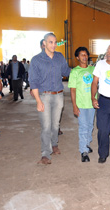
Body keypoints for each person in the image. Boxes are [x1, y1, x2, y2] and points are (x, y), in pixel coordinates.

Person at [29, 33, 71, 165]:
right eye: (50, 42)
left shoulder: (59, 57)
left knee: (55, 124)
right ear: (44, 44)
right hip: (44, 96)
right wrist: (38, 101)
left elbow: (67, 71)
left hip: (58, 95)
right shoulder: (36, 60)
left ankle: (54, 145)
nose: (53, 45)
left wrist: (81, 71)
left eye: (55, 42)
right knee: (46, 126)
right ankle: (45, 154)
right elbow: (33, 82)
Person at [68, 47, 95, 162]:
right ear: (77, 57)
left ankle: (87, 144)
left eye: (86, 55)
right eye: (81, 55)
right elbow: (73, 90)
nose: (84, 57)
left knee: (90, 126)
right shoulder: (75, 72)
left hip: (92, 103)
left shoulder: (93, 69)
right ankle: (83, 151)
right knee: (83, 127)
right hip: (81, 104)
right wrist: (74, 105)